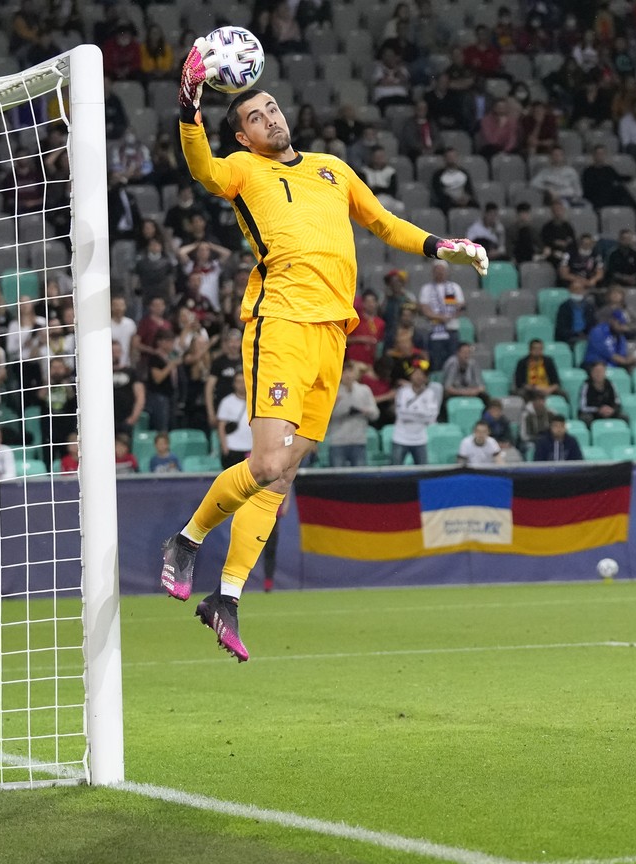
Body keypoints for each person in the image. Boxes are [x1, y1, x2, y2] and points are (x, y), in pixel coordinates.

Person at [161, 50, 488, 660]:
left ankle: (225, 598)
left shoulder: (332, 168)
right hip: (281, 322)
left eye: (273, 108)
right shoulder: (241, 171)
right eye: (256, 117)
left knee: (283, 476)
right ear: (243, 136)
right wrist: (189, 107)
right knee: (262, 464)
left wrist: (445, 247)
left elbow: (386, 223)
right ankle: (187, 537)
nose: (271, 119)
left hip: (333, 335)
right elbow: (200, 166)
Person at [327, 360, 379, 467]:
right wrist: (335, 404)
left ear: (356, 373)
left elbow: (375, 414)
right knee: (337, 479)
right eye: (344, 372)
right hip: (338, 442)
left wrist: (366, 411)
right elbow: (326, 417)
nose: (348, 375)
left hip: (358, 441)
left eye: (350, 371)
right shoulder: (332, 391)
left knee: (360, 479)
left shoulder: (364, 390)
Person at [392, 360, 440, 465]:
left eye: (421, 374)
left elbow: (431, 417)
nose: (418, 376)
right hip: (401, 438)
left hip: (420, 440)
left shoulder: (430, 394)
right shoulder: (403, 392)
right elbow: (401, 414)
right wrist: (421, 414)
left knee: (423, 471)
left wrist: (412, 414)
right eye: (416, 373)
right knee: (394, 471)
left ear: (426, 377)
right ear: (411, 375)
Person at [215, 371, 254, 468]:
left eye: (244, 381)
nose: (242, 385)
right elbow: (221, 426)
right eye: (238, 381)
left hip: (251, 448)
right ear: (234, 384)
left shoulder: (255, 401)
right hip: (233, 448)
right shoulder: (227, 402)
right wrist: (225, 448)